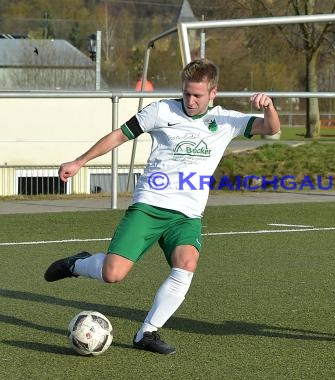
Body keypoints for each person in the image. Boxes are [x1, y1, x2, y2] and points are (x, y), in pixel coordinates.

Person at [44, 58, 281, 355]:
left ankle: (147, 332)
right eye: (186, 93)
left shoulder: (226, 120)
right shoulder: (160, 110)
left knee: (187, 264)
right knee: (112, 274)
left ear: (213, 93)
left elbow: (270, 128)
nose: (191, 101)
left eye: (197, 95)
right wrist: (80, 161)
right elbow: (120, 135)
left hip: (187, 216)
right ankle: (77, 264)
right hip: (150, 206)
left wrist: (268, 106)